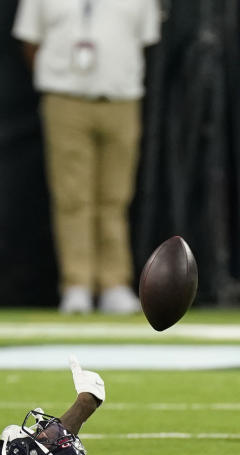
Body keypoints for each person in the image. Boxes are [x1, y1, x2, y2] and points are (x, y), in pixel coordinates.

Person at [13, 0, 162, 315]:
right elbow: (30, 42)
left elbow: (143, 42)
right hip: (66, 99)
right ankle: (77, 284)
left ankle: (113, 284)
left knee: (115, 197)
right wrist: (59, 79)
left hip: (121, 99)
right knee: (72, 197)